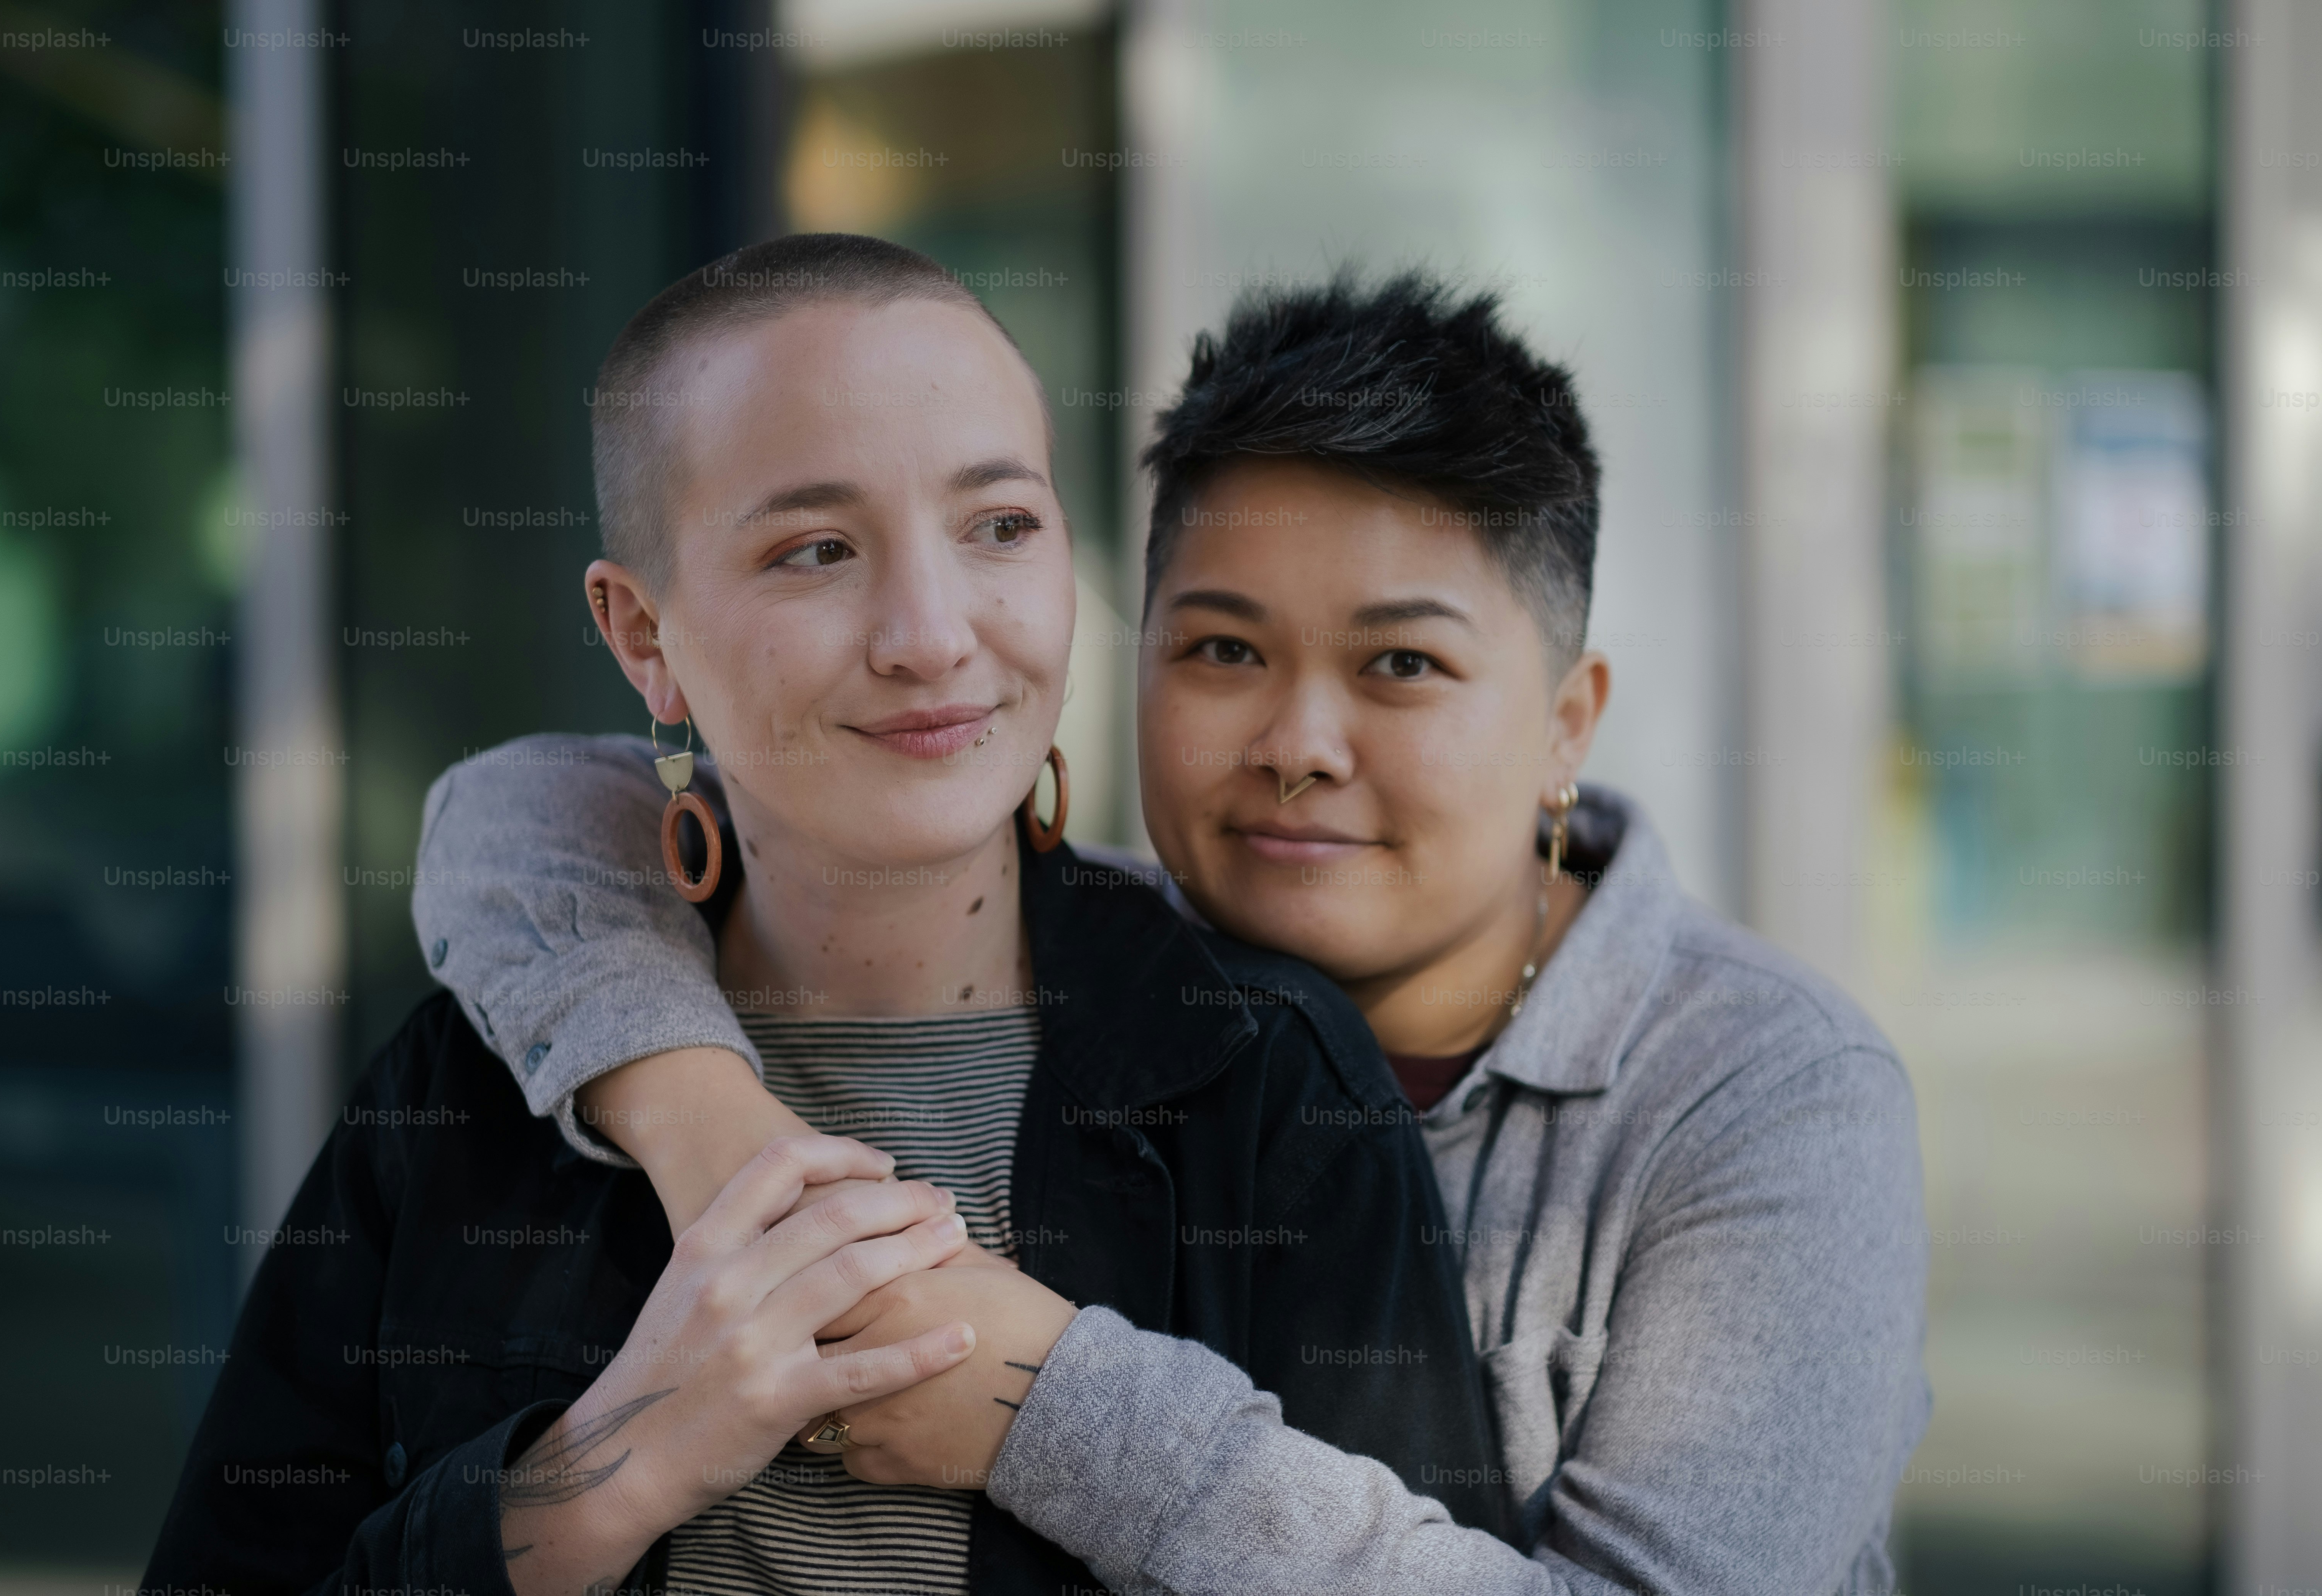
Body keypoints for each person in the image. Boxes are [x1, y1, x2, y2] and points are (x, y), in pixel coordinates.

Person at [414, 264, 1934, 1593]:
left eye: (1401, 664)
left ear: (1564, 724)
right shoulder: (1112, 955)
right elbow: (527, 814)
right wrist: (710, 1129)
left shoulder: (1767, 1093)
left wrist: (1042, 1403)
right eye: (1222, 647)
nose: (1299, 742)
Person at [140, 234, 1501, 1596]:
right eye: (817, 551)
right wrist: (610, 1463)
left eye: (1001, 527)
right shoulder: (473, 1087)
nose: (931, 634)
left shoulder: (1268, 1084)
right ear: (643, 639)